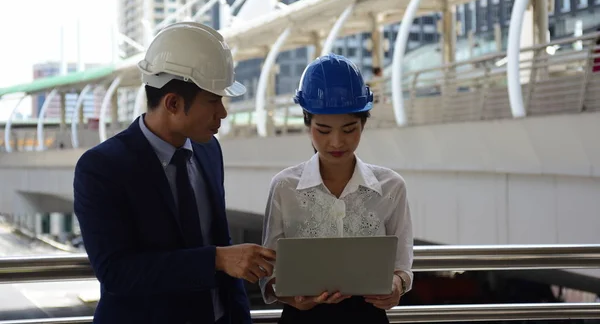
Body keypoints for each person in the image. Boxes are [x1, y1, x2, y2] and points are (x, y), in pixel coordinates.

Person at [73, 22, 276, 324]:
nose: (222, 112)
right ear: (173, 103)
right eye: (213, 100)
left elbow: (221, 244)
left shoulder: (209, 151)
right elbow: (116, 272)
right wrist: (216, 259)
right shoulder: (102, 169)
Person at [259, 53, 414, 323]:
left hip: (368, 317)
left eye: (349, 129)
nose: (336, 141)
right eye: (323, 129)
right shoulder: (284, 186)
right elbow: (269, 272)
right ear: (307, 124)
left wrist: (396, 286)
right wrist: (290, 296)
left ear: (363, 124)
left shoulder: (391, 187)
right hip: (302, 318)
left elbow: (402, 265)